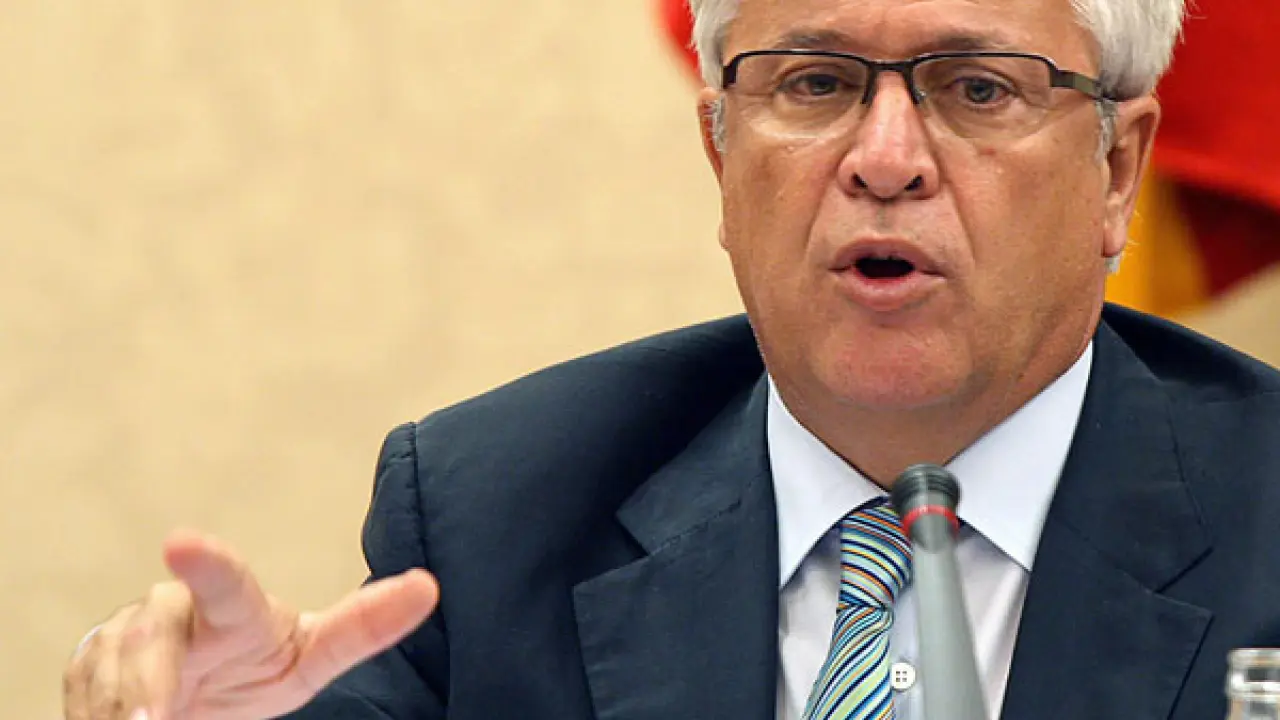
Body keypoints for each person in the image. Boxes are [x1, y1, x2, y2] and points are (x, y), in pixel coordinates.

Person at [62, 0, 1280, 717]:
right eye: (815, 82)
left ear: (1115, 171)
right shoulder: (497, 519)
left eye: (974, 88)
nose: (885, 158)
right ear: (719, 153)